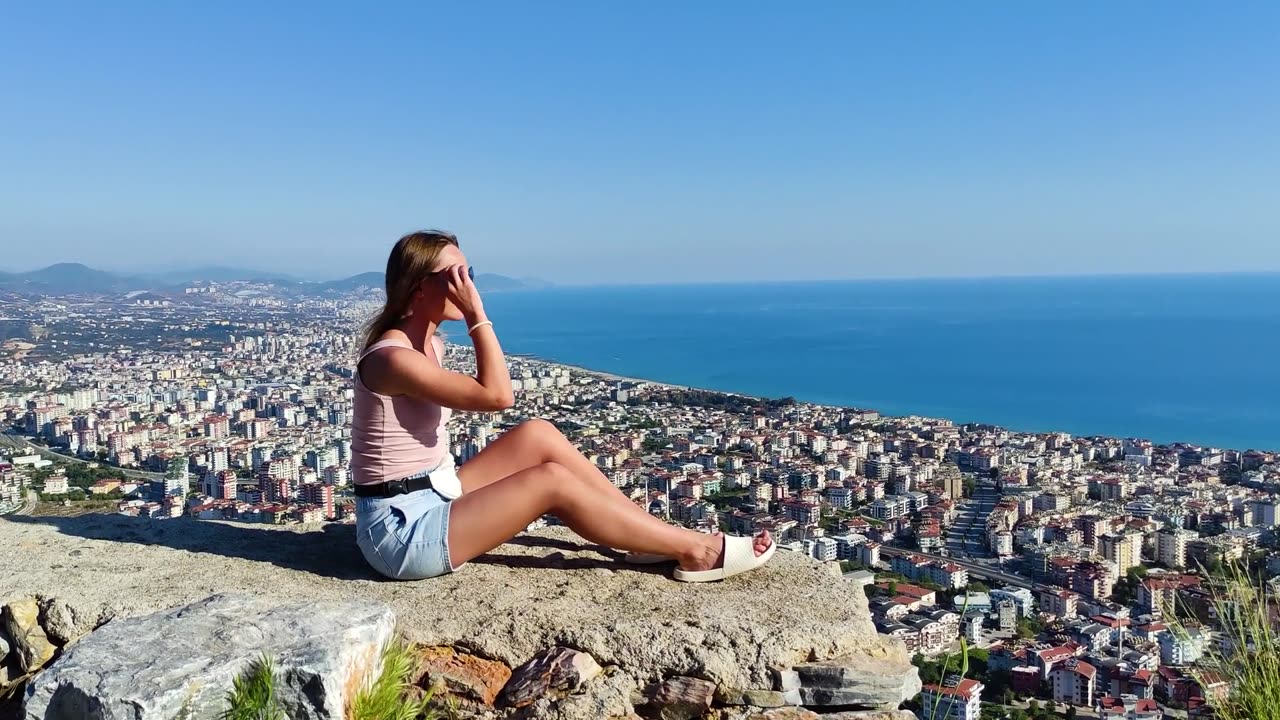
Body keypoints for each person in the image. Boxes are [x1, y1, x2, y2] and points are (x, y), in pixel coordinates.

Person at [350, 230, 774, 582]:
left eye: (470, 274)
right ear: (421, 285)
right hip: (399, 532)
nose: (469, 284)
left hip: (435, 492)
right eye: (458, 275)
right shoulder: (393, 358)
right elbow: (498, 396)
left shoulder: (430, 344)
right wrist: (478, 314)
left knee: (539, 435)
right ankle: (694, 550)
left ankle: (644, 538)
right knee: (550, 481)